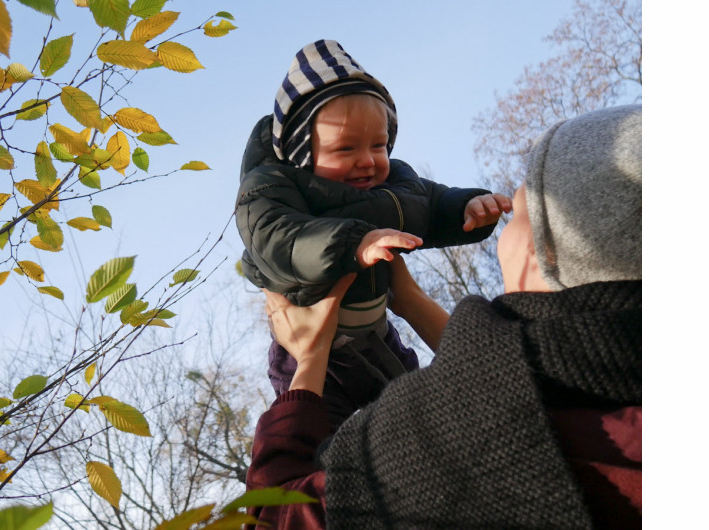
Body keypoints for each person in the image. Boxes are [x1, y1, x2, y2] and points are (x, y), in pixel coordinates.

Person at [246, 104, 642, 529]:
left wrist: (309, 360)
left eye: (521, 215)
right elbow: (495, 371)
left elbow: (276, 517)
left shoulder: (445, 454)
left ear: (542, 252)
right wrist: (412, 302)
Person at [235, 39, 511, 428]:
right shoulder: (276, 187)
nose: (367, 161)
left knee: (425, 414)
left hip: (378, 335)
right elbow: (276, 238)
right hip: (309, 349)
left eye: (378, 145)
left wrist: (467, 207)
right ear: (302, 152)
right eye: (346, 149)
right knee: (317, 436)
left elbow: (430, 204)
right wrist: (354, 243)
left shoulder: (395, 183)